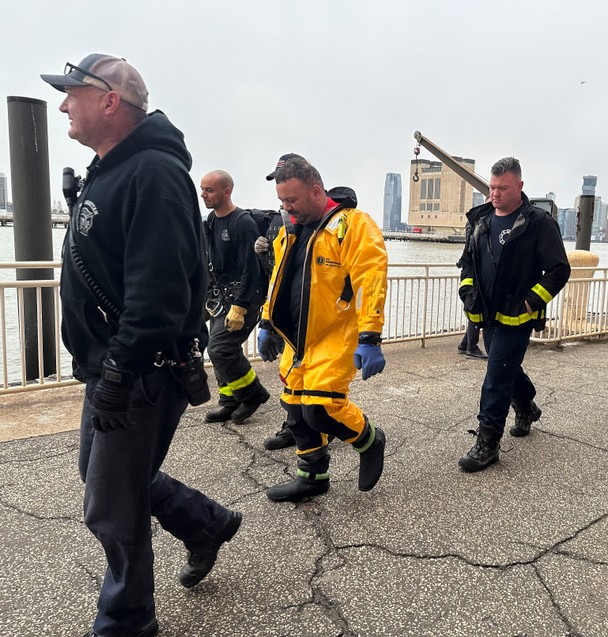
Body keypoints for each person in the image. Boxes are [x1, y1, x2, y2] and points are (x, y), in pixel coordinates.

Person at [41, 54, 241, 637]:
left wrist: (121, 375)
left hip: (137, 371)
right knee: (102, 477)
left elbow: (158, 292)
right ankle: (205, 523)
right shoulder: (111, 167)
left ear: (109, 101)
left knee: (111, 504)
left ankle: (127, 622)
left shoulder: (152, 172)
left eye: (71, 94)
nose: (62, 105)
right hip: (111, 367)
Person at [257, 156, 388, 501]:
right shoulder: (290, 230)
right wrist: (267, 321)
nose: (286, 207)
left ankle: (370, 439)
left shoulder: (350, 225)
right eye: (282, 201)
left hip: (335, 335)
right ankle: (312, 477)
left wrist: (370, 336)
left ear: (316, 191)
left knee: (321, 409)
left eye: (292, 201)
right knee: (296, 410)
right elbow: (278, 280)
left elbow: (369, 279)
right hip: (297, 340)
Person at [457, 157, 570, 472]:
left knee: (495, 377)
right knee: (505, 368)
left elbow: (559, 269)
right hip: (487, 315)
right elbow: (467, 262)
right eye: (492, 188)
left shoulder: (538, 223)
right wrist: (468, 293)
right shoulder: (480, 220)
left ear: (519, 186)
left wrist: (532, 301)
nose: (494, 194)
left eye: (502, 188)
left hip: (517, 317)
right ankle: (526, 405)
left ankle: (488, 443)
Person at [201, 170, 270, 425]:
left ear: (226, 191)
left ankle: (252, 394)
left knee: (220, 348)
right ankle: (228, 401)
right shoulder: (211, 219)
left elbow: (251, 267)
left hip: (243, 298)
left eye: (209, 190)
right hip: (220, 298)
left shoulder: (242, 223)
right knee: (218, 349)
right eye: (202, 189)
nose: (203, 194)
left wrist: (241, 307)